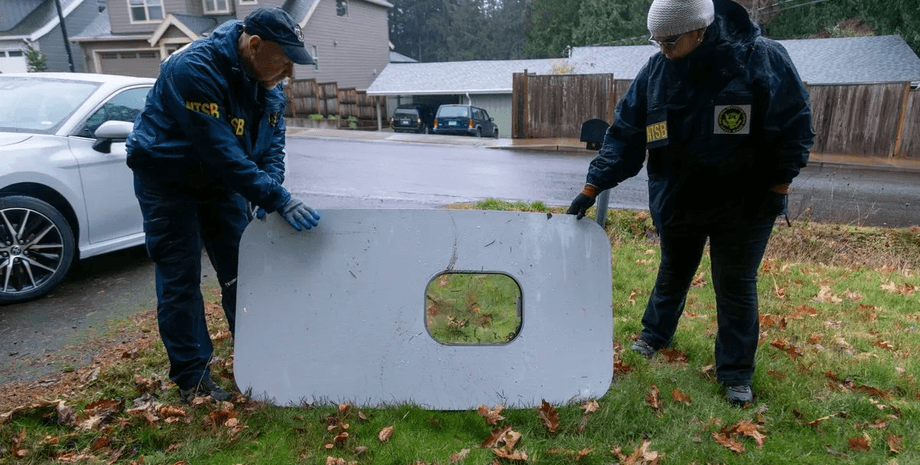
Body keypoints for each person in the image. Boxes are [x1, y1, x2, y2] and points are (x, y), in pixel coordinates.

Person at [566, 0, 814, 407]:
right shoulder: (656, 72)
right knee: (674, 269)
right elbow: (626, 134)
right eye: (657, 40)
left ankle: (735, 374)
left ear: (699, 30)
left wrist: (780, 185)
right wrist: (593, 186)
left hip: (745, 202)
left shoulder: (759, 58)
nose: (662, 49)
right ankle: (654, 336)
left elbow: (795, 124)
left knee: (734, 285)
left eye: (670, 40)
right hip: (679, 198)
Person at [126, 7, 322, 402]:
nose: (288, 74)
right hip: (168, 178)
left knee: (243, 274)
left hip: (222, 183)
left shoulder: (268, 84)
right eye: (284, 62)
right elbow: (221, 152)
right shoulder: (193, 69)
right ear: (254, 46)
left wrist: (271, 189)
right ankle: (193, 379)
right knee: (181, 279)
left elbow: (271, 147)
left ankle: (257, 359)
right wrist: (277, 198)